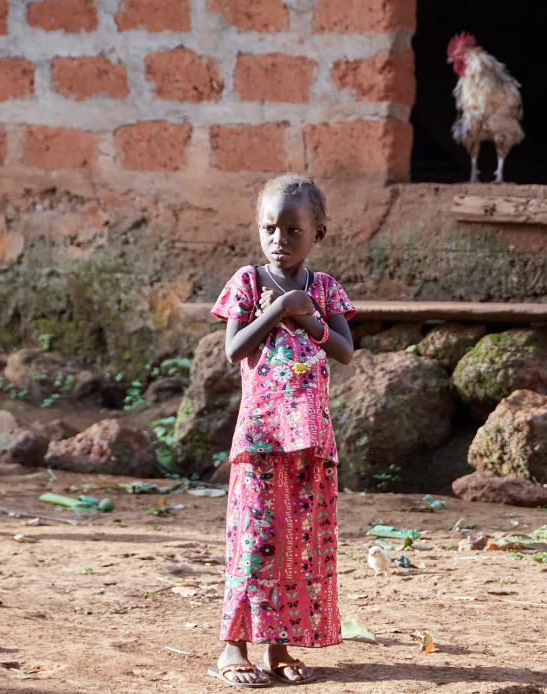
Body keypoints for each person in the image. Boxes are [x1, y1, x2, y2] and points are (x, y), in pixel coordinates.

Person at [207, 174, 355, 687]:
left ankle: (278, 648)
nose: (279, 239)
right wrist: (277, 310)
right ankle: (233, 647)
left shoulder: (325, 289)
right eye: (270, 228)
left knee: (298, 544)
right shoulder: (248, 283)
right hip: (259, 440)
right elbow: (234, 349)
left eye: (293, 230)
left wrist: (308, 316)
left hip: (311, 441)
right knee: (254, 539)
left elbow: (344, 349)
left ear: (320, 233)